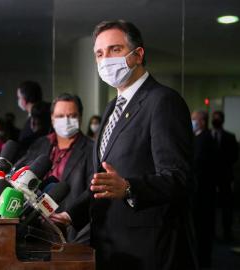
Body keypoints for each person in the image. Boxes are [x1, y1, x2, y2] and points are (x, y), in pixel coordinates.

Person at [51, 20, 197, 270]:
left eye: (115, 50)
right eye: (99, 53)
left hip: (149, 250)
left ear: (138, 54)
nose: (105, 59)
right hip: (112, 248)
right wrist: (70, 215)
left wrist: (129, 188)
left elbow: (179, 178)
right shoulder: (112, 108)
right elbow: (104, 182)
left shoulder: (163, 101)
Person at [15, 93, 93, 243]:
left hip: (68, 235)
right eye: (60, 116)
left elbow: (92, 192)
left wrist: (70, 216)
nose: (66, 120)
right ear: (52, 117)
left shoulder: (91, 150)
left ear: (81, 117)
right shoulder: (40, 144)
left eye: (72, 115)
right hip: (31, 228)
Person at [191, 110, 218, 267]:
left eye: (194, 119)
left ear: (202, 121)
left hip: (203, 193)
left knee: (203, 230)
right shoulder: (198, 137)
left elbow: (198, 165)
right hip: (199, 192)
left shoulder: (205, 138)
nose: (192, 121)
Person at [211, 110, 239, 241]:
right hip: (209, 177)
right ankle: (211, 232)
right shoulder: (207, 136)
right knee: (210, 206)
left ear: (222, 120)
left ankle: (227, 232)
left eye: (217, 118)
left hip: (225, 177)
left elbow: (234, 157)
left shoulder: (230, 137)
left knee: (226, 207)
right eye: (214, 118)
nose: (215, 120)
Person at [17, 81, 50, 153]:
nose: (18, 100)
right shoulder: (48, 111)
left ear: (25, 99)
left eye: (19, 97)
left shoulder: (35, 119)